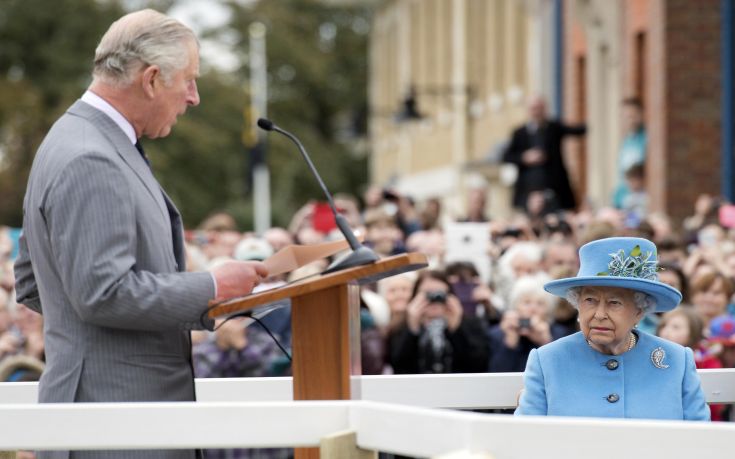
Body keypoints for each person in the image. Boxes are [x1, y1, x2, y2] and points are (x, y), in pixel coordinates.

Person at [13, 10, 267, 458]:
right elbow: (101, 292)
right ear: (150, 79)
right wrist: (211, 286)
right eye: (188, 80)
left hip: (108, 416)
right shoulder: (91, 156)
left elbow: (37, 281)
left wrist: (81, 339)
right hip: (113, 423)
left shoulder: (78, 140)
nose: (194, 97)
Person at [515, 237, 709, 420]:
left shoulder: (676, 361)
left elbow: (702, 439)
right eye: (590, 300)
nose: (599, 314)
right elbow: (525, 439)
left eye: (614, 303)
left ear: (639, 311)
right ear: (578, 305)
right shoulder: (547, 360)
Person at [388, 270, 488, 374]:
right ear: (415, 296)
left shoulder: (471, 324)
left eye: (440, 293)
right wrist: (412, 329)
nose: (435, 299)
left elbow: (478, 365)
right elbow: (398, 366)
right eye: (428, 294)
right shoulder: (400, 326)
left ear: (451, 295)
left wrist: (456, 329)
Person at [502, 95, 585, 212]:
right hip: (528, 190)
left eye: (539, 108)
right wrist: (525, 157)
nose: (537, 112)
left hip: (554, 189)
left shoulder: (554, 128)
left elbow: (577, 130)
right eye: (533, 108)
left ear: (544, 109)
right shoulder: (520, 133)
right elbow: (506, 156)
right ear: (528, 110)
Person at [613, 98, 647, 209]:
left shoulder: (647, 139)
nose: (630, 120)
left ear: (641, 115)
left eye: (633, 115)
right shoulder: (626, 142)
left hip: (642, 198)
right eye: (627, 116)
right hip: (625, 198)